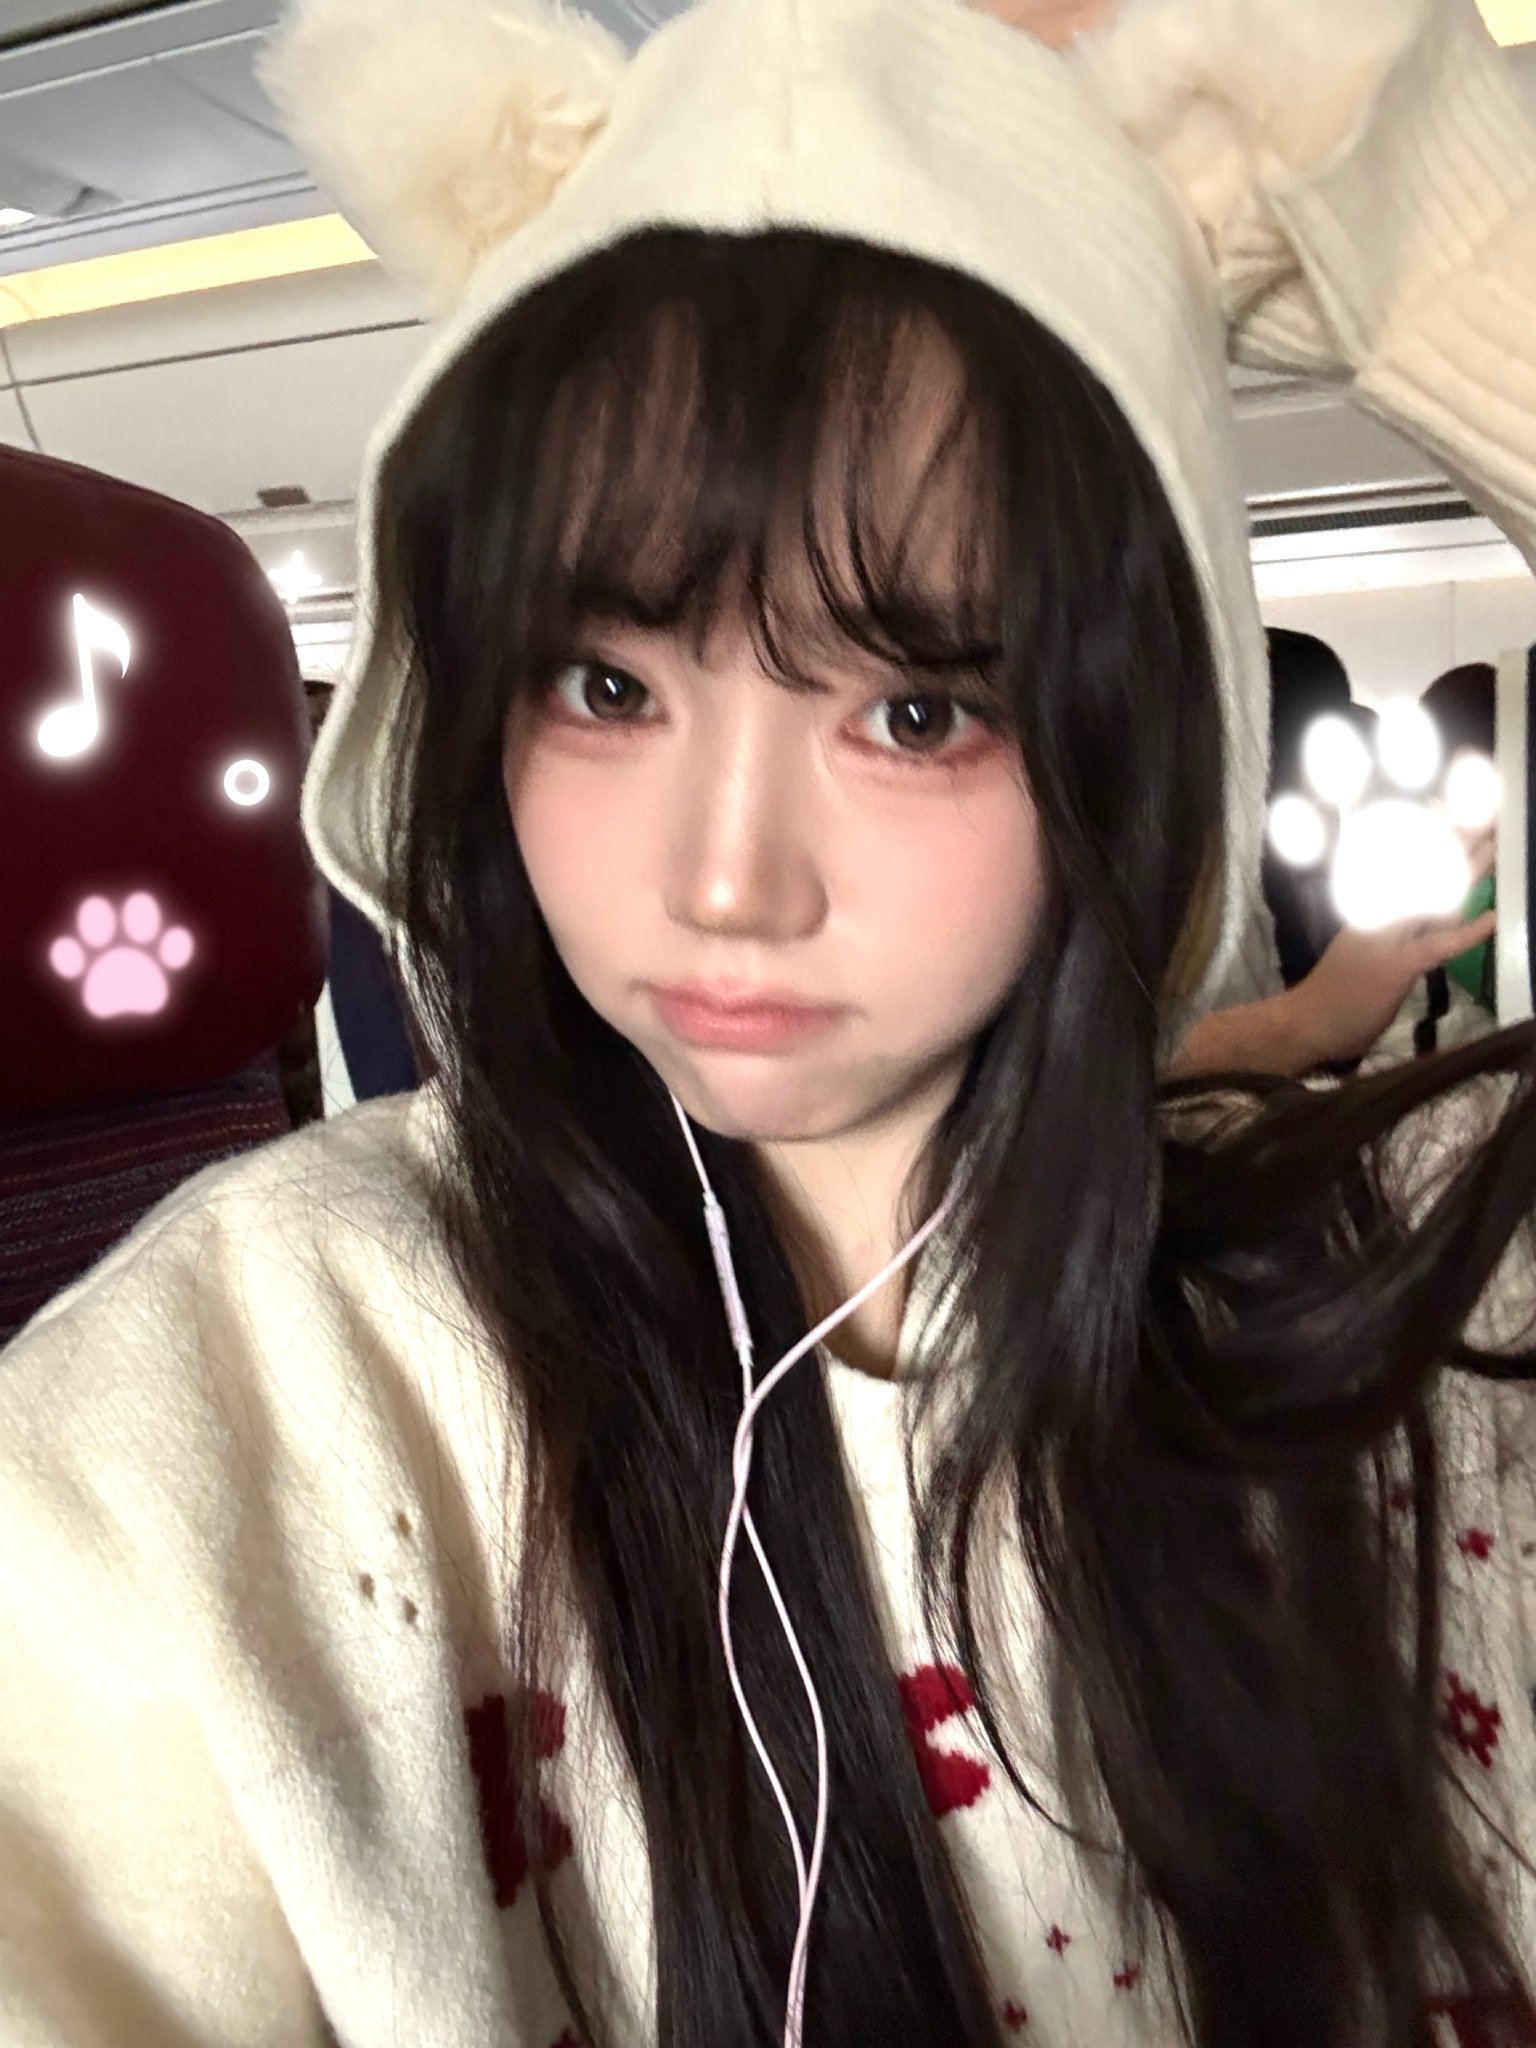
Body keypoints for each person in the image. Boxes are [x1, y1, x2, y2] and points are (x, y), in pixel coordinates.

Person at [3, 2, 1536, 2046]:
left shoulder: (1425, 1308)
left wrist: (1422, 198)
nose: (726, 881)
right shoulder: (237, 1420)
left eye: (914, 709)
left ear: (1133, 754)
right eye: (608, 688)